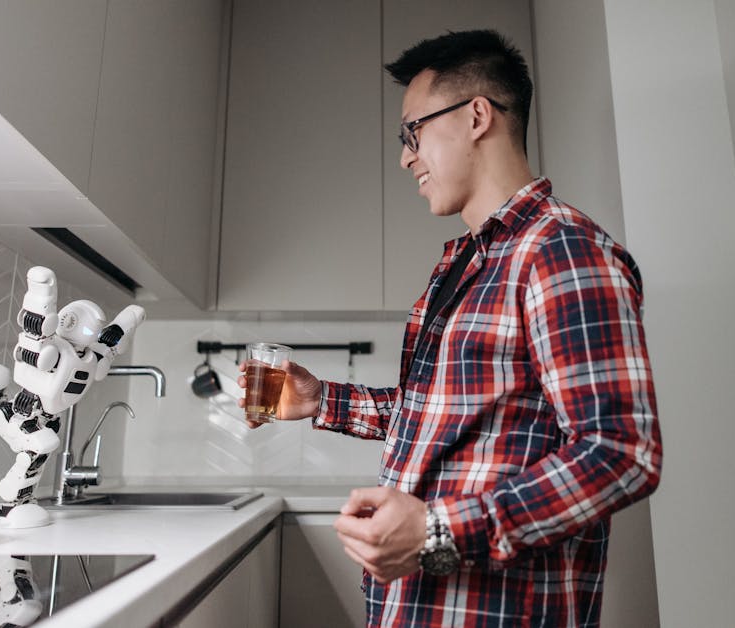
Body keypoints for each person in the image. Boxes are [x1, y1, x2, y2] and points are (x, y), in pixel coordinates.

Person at [238, 29, 661, 627]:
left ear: (476, 116)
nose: (405, 157)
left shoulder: (561, 251)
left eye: (412, 132)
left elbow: (620, 452)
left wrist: (439, 531)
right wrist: (322, 400)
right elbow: (445, 415)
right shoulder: (468, 263)